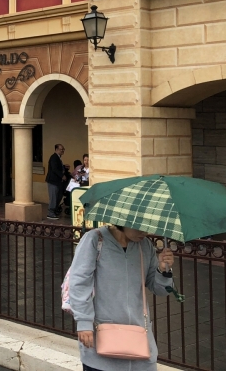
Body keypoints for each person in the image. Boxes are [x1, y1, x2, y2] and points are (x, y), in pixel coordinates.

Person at [69, 224, 175, 371]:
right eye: (140, 226)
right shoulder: (95, 239)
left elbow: (160, 289)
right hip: (101, 343)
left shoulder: (145, 246)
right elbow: (79, 282)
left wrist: (163, 270)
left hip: (139, 346)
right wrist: (84, 321)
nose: (145, 232)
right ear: (124, 222)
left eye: (148, 226)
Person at [46, 144, 69, 220]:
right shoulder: (54, 157)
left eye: (63, 149)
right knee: (53, 197)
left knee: (58, 197)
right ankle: (50, 213)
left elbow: (57, 168)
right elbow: (54, 169)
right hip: (53, 181)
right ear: (56, 149)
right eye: (61, 149)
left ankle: (54, 211)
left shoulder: (58, 158)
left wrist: (64, 167)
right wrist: (62, 175)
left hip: (58, 182)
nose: (62, 151)